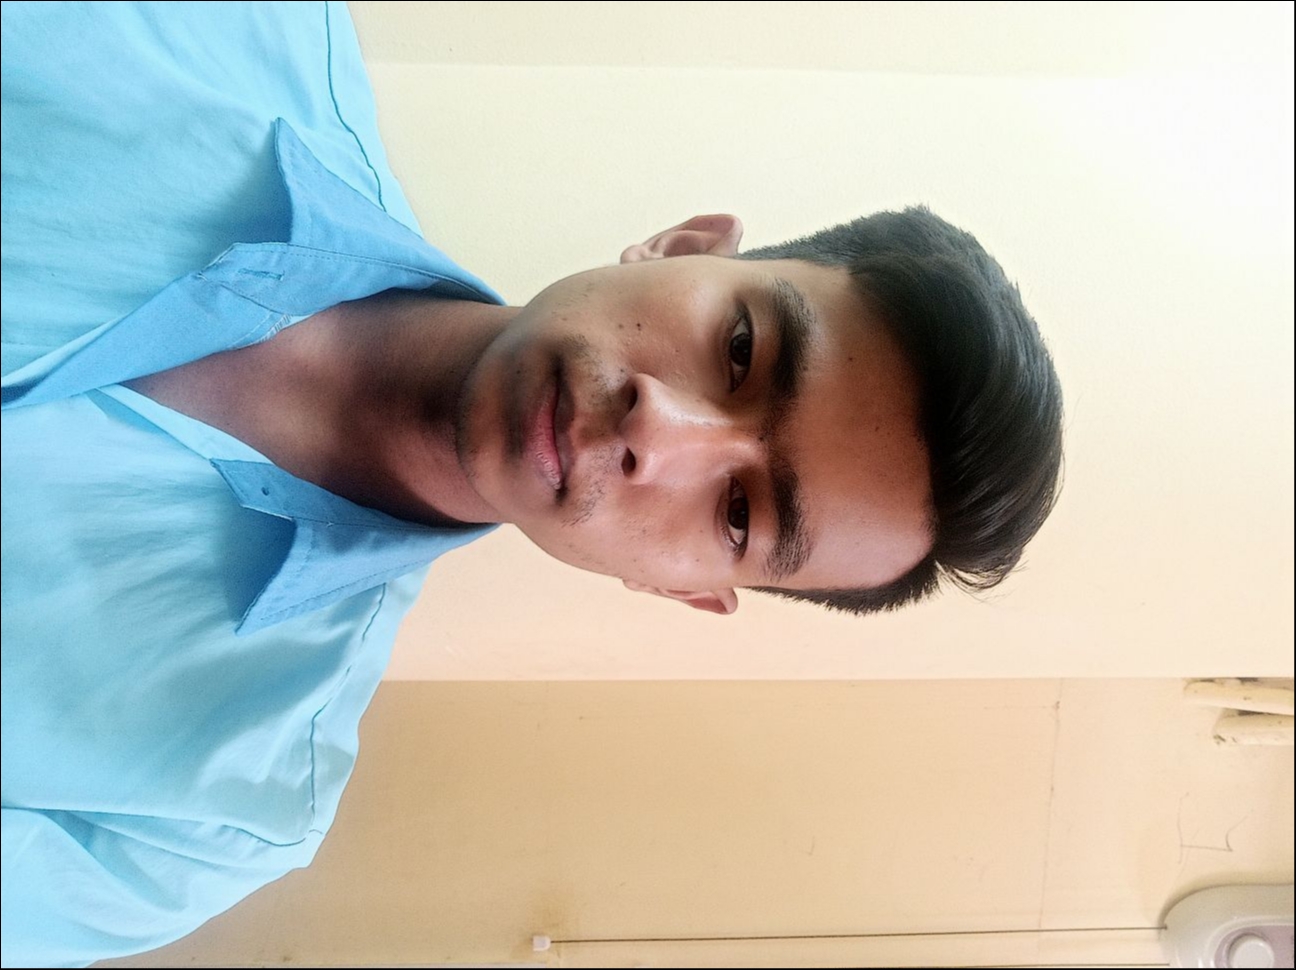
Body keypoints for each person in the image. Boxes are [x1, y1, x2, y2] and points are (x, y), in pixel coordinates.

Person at [0, 3, 1063, 967]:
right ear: (682, 245)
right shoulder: (226, 26)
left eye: (740, 512)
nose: (660, 431)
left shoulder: (203, 817)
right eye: (740, 348)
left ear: (680, 588)